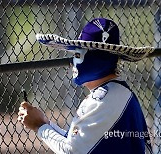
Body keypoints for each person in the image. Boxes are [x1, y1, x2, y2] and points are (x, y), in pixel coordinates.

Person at [17, 17, 153, 154]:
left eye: (77, 54)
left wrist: (39, 126)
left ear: (97, 59)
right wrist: (44, 123)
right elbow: (78, 143)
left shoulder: (105, 100)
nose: (72, 63)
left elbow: (72, 151)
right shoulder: (114, 92)